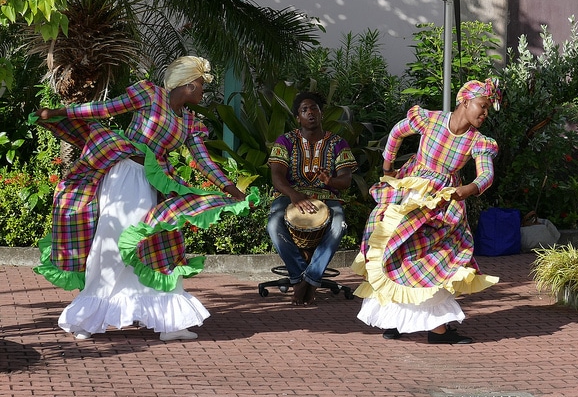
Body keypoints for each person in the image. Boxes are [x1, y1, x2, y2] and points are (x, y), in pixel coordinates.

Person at [32, 56, 256, 341]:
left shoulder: (189, 121)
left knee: (159, 244)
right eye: (201, 86)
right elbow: (103, 109)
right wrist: (58, 112)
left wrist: (233, 190)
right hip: (124, 176)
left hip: (154, 184)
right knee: (113, 243)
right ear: (187, 84)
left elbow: (204, 161)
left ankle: (169, 324)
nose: (203, 92)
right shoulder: (150, 95)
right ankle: (86, 319)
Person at [352, 79, 501, 344]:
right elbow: (398, 131)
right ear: (465, 102)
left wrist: (466, 190)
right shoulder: (430, 120)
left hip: (442, 202)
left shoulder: (477, 141)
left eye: (488, 108)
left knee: (432, 257)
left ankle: (434, 328)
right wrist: (387, 167)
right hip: (410, 188)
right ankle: (395, 320)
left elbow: (486, 175)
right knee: (393, 248)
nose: (485, 113)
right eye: (482, 105)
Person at [267, 91, 358, 305]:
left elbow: (345, 180)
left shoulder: (338, 143)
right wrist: (294, 195)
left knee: (339, 226)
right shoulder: (286, 141)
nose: (310, 112)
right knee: (273, 224)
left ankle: (310, 278)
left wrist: (331, 182)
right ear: (298, 117)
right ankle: (300, 278)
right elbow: (277, 176)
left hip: (326, 197)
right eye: (304, 110)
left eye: (314, 108)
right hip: (289, 195)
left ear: (321, 113)